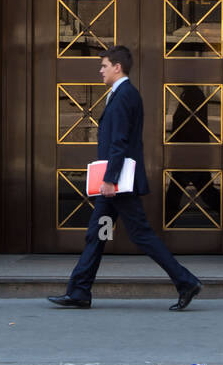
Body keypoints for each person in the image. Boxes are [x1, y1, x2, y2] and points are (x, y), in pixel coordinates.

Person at [48, 45, 203, 310]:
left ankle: (185, 281)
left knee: (140, 234)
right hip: (116, 182)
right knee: (96, 235)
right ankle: (79, 291)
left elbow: (119, 142)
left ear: (117, 67)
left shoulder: (123, 96)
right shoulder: (122, 94)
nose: (100, 70)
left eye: (104, 66)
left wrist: (109, 179)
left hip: (118, 183)